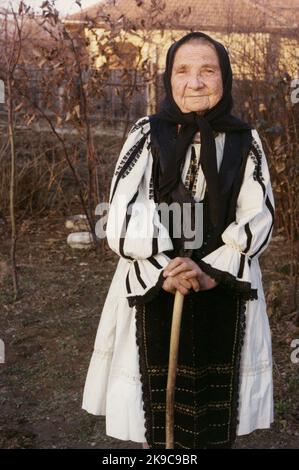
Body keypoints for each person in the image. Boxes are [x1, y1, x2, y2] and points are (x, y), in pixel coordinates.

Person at [82, 31, 275, 449]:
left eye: (208, 70)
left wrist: (208, 272)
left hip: (227, 285)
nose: (196, 82)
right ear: (168, 79)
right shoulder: (146, 133)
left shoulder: (246, 139)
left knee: (216, 418)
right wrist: (167, 269)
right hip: (153, 283)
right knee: (161, 423)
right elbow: (120, 217)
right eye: (182, 71)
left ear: (225, 77)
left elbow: (257, 218)